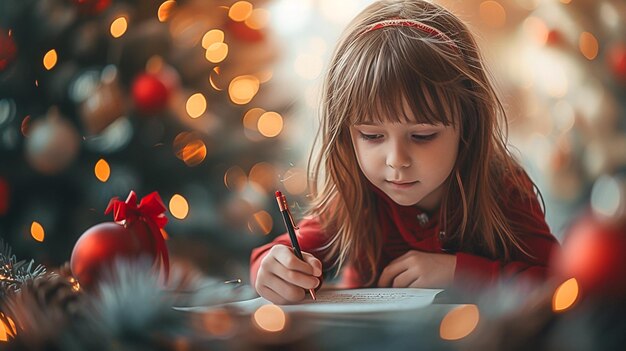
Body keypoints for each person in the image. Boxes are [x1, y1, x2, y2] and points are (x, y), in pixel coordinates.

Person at [250, 0, 559, 304]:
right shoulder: (355, 197)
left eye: (422, 136)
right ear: (347, 134)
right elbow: (274, 260)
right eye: (372, 136)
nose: (396, 160)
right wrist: (273, 269)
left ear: (468, 124)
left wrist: (459, 271)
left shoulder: (503, 188)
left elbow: (560, 281)